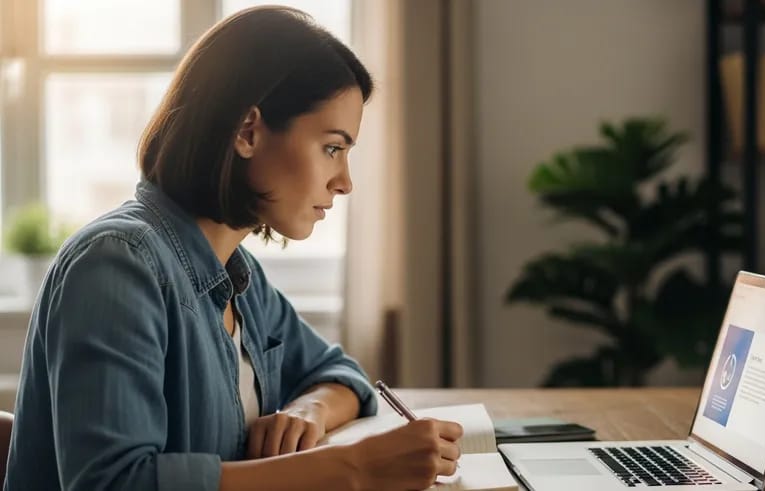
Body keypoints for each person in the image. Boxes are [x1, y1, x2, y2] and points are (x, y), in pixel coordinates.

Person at [3, 6, 462, 491]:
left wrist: (308, 411)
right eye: (332, 148)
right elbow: (115, 483)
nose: (345, 182)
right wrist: (354, 468)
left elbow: (340, 373)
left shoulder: (238, 276)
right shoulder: (116, 264)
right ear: (248, 132)